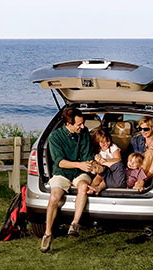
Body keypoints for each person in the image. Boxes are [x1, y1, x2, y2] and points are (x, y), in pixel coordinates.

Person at [40, 108, 94, 253]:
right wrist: (79, 164)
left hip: (80, 173)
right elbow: (60, 162)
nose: (82, 126)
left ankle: (74, 225)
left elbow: (87, 156)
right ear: (68, 124)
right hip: (62, 173)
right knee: (54, 197)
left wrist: (91, 166)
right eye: (79, 124)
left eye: (82, 123)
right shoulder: (54, 137)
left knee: (83, 187)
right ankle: (48, 234)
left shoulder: (84, 133)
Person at [87, 129, 126, 195]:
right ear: (98, 142)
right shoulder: (99, 150)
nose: (106, 144)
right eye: (102, 142)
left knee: (105, 180)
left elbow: (118, 159)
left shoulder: (113, 147)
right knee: (97, 179)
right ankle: (91, 188)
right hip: (103, 170)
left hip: (113, 170)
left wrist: (105, 160)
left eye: (107, 141)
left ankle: (98, 188)